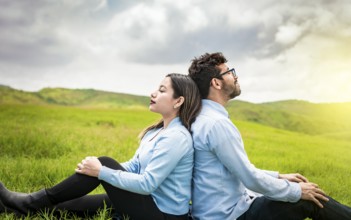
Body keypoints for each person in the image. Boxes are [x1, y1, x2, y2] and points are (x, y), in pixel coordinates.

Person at [0, 73, 202, 220]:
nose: (153, 93)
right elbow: (134, 166)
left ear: (179, 101)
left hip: (162, 214)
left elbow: (148, 183)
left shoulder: (177, 138)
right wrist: (96, 172)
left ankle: (27, 201)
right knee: (66, 206)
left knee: (104, 163)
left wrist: (102, 171)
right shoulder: (156, 131)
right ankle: (11, 208)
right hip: (142, 200)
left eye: (162, 90)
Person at [187, 52, 351, 220]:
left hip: (219, 212)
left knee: (301, 192)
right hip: (231, 216)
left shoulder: (202, 118)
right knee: (311, 199)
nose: (235, 77)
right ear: (216, 83)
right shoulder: (216, 124)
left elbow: (236, 170)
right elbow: (250, 178)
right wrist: (297, 191)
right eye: (229, 72)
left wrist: (279, 177)